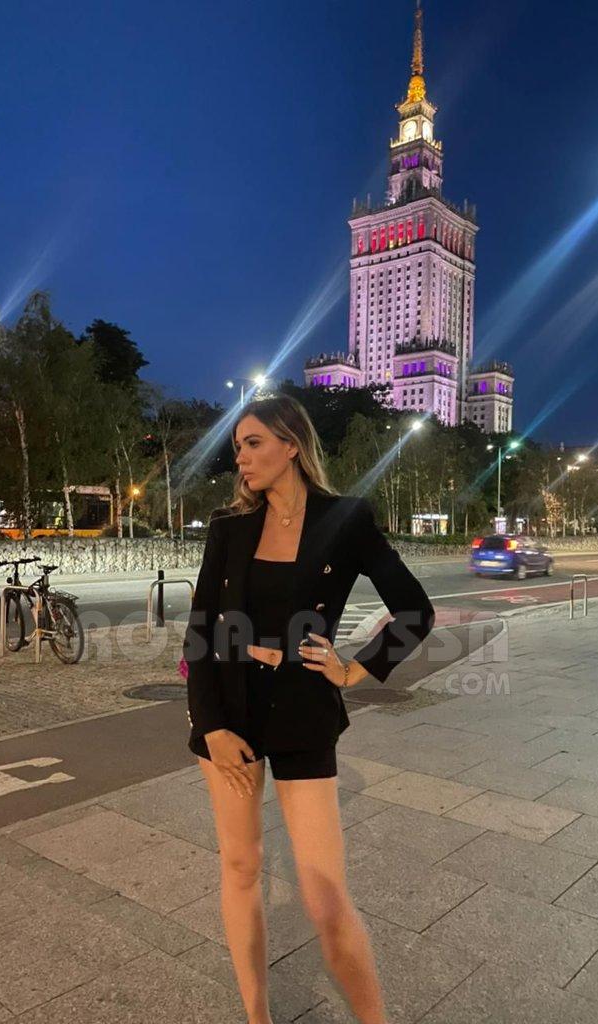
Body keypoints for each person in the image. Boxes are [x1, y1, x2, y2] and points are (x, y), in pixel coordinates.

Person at [183, 394, 435, 1024]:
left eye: (253, 443)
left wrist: (355, 669)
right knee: (241, 865)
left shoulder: (345, 520)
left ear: (291, 445)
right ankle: (257, 1017)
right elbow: (201, 633)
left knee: (324, 895)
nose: (241, 458)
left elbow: (415, 610)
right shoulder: (229, 527)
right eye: (237, 446)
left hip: (302, 708)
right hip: (230, 710)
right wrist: (211, 727)